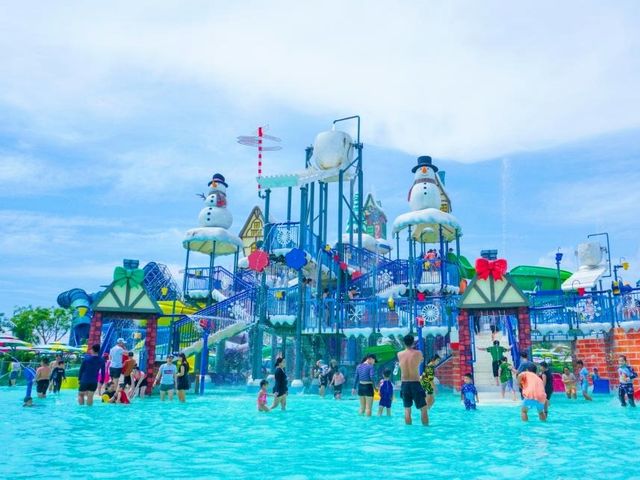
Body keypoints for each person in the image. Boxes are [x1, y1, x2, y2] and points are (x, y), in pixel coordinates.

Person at [397, 334, 428, 425]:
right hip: (415, 383)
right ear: (413, 342)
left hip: (404, 384)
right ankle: (426, 430)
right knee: (423, 409)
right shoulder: (418, 353)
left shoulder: (399, 354)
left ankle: (408, 431)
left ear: (404, 343)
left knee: (407, 409)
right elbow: (421, 360)